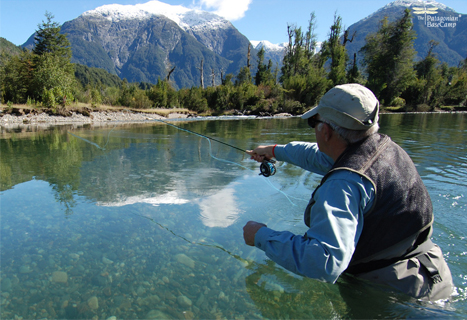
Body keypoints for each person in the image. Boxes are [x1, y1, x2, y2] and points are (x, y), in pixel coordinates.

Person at [244, 83, 453, 301]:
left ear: (325, 131)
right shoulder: (383, 150)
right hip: (433, 272)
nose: (314, 128)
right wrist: (274, 150)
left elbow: (324, 263)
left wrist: (260, 236)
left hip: (395, 297)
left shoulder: (343, 184)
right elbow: (319, 156)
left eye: (313, 122)